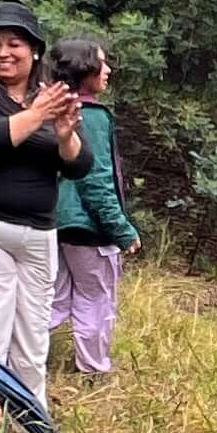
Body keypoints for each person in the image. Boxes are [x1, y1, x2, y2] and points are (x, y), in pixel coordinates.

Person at [0, 2, 88, 405]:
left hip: (38, 234)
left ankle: (29, 423)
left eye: (14, 44)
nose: (2, 52)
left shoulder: (49, 96)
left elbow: (79, 165)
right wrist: (36, 115)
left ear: (35, 51)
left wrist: (65, 136)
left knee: (32, 340)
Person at [50, 35, 141, 381]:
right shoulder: (93, 116)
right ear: (84, 69)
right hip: (88, 226)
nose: (108, 69)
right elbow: (96, 177)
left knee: (55, 296)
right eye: (101, 63)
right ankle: (93, 370)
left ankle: (15, 354)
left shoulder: (48, 109)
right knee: (96, 298)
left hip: (55, 221)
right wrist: (120, 228)